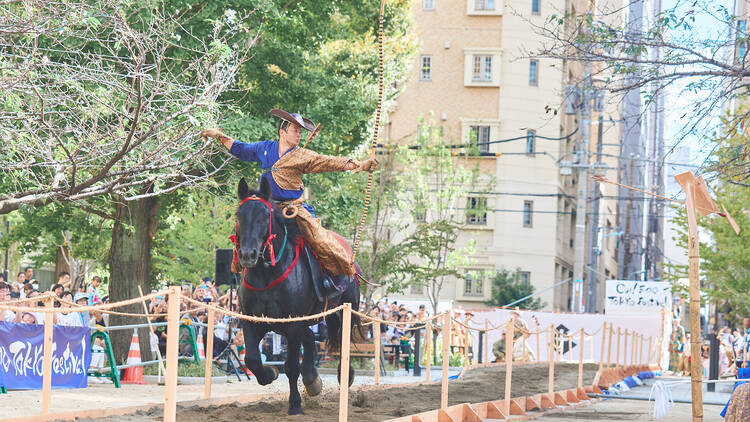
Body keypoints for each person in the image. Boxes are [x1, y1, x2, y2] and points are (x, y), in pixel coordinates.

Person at [201, 109, 378, 295]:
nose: (299, 134)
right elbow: (241, 149)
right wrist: (219, 136)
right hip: (268, 208)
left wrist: (359, 164)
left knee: (320, 239)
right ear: (282, 132)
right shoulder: (264, 148)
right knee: (247, 229)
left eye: (301, 131)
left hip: (293, 209)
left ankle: (337, 280)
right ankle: (242, 274)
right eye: (295, 130)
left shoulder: (302, 155)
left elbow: (327, 161)